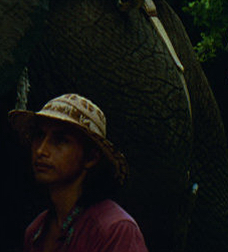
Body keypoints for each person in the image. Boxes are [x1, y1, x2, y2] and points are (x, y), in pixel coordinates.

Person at [9, 94, 149, 252]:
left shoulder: (115, 229)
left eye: (60, 140)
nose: (41, 150)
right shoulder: (36, 231)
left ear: (91, 157)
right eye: (40, 135)